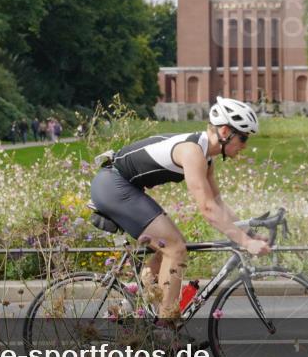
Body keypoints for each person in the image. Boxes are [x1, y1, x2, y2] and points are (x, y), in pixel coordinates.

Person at [90, 96, 271, 321]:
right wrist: (245, 243)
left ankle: (132, 301)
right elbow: (206, 208)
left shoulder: (206, 159)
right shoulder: (192, 152)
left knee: (168, 244)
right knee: (175, 247)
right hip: (113, 185)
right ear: (225, 132)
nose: (245, 145)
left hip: (121, 187)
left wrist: (249, 234)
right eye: (243, 138)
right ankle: (166, 327)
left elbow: (218, 204)